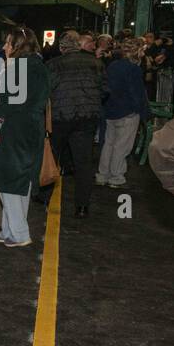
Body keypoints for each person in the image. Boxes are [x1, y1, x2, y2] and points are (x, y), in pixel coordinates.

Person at [0, 27, 50, 246]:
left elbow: (8, 105)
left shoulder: (19, 69)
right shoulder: (38, 65)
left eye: (8, 43)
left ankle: (19, 233)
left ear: (18, 46)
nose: (4, 47)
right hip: (31, 130)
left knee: (8, 182)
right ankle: (8, 230)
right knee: (21, 181)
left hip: (15, 131)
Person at [47, 29, 104, 218]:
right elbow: (105, 89)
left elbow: (47, 90)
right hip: (86, 119)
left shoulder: (53, 65)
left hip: (60, 118)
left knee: (52, 157)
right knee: (83, 162)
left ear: (62, 48)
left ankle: (45, 196)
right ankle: (82, 206)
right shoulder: (96, 63)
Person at [97, 38, 150, 188]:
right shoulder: (134, 69)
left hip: (110, 110)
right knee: (122, 147)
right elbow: (137, 94)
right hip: (128, 112)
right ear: (137, 51)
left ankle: (102, 175)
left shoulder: (113, 65)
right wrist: (142, 112)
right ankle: (116, 177)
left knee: (109, 143)